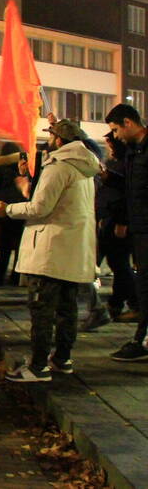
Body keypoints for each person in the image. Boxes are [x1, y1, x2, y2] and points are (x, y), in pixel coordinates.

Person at [0, 119, 98, 381]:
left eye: (50, 136)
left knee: (42, 309)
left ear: (58, 140)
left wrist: (8, 210)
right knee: (67, 309)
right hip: (71, 249)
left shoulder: (59, 167)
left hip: (50, 248)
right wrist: (29, 181)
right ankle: (62, 359)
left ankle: (38, 367)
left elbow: (40, 208)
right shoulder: (84, 167)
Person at [104, 103, 148, 362]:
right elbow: (134, 189)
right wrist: (110, 178)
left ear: (129, 123)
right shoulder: (133, 151)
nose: (116, 136)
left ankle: (141, 340)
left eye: (117, 129)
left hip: (144, 229)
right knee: (143, 285)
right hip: (139, 228)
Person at [96, 134, 139, 323]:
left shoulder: (128, 164)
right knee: (118, 264)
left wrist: (122, 221)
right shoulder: (117, 163)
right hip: (109, 218)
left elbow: (127, 194)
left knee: (120, 265)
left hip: (118, 221)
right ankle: (116, 303)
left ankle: (134, 305)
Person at [0, 143, 27, 286]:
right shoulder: (25, 169)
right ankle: (16, 277)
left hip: (6, 211)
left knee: (5, 247)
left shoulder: (1, 169)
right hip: (21, 210)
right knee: (20, 246)